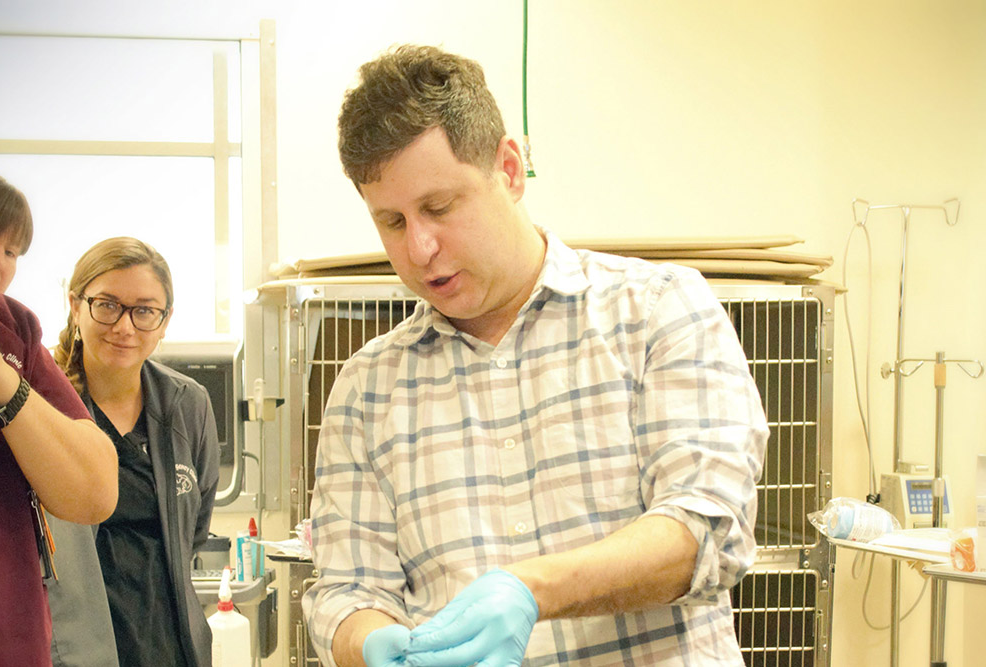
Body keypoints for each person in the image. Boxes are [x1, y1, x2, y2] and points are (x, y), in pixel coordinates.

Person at [302, 44, 770, 667]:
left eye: (440, 207)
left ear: (511, 168)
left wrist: (532, 590)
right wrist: (370, 641)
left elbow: (707, 528)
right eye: (391, 221)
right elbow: (346, 589)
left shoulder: (657, 311)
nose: (420, 247)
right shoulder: (367, 389)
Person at [53, 236, 220, 667]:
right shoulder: (43, 405)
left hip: (171, 646)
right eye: (107, 305)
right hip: (75, 647)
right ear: (76, 306)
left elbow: (194, 530)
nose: (125, 327)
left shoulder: (188, 403)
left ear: (164, 321)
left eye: (144, 310)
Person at [0, 170, 118, 666]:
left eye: (11, 251)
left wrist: (1, 383)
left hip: (10, 633)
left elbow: (95, 490)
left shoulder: (13, 330)